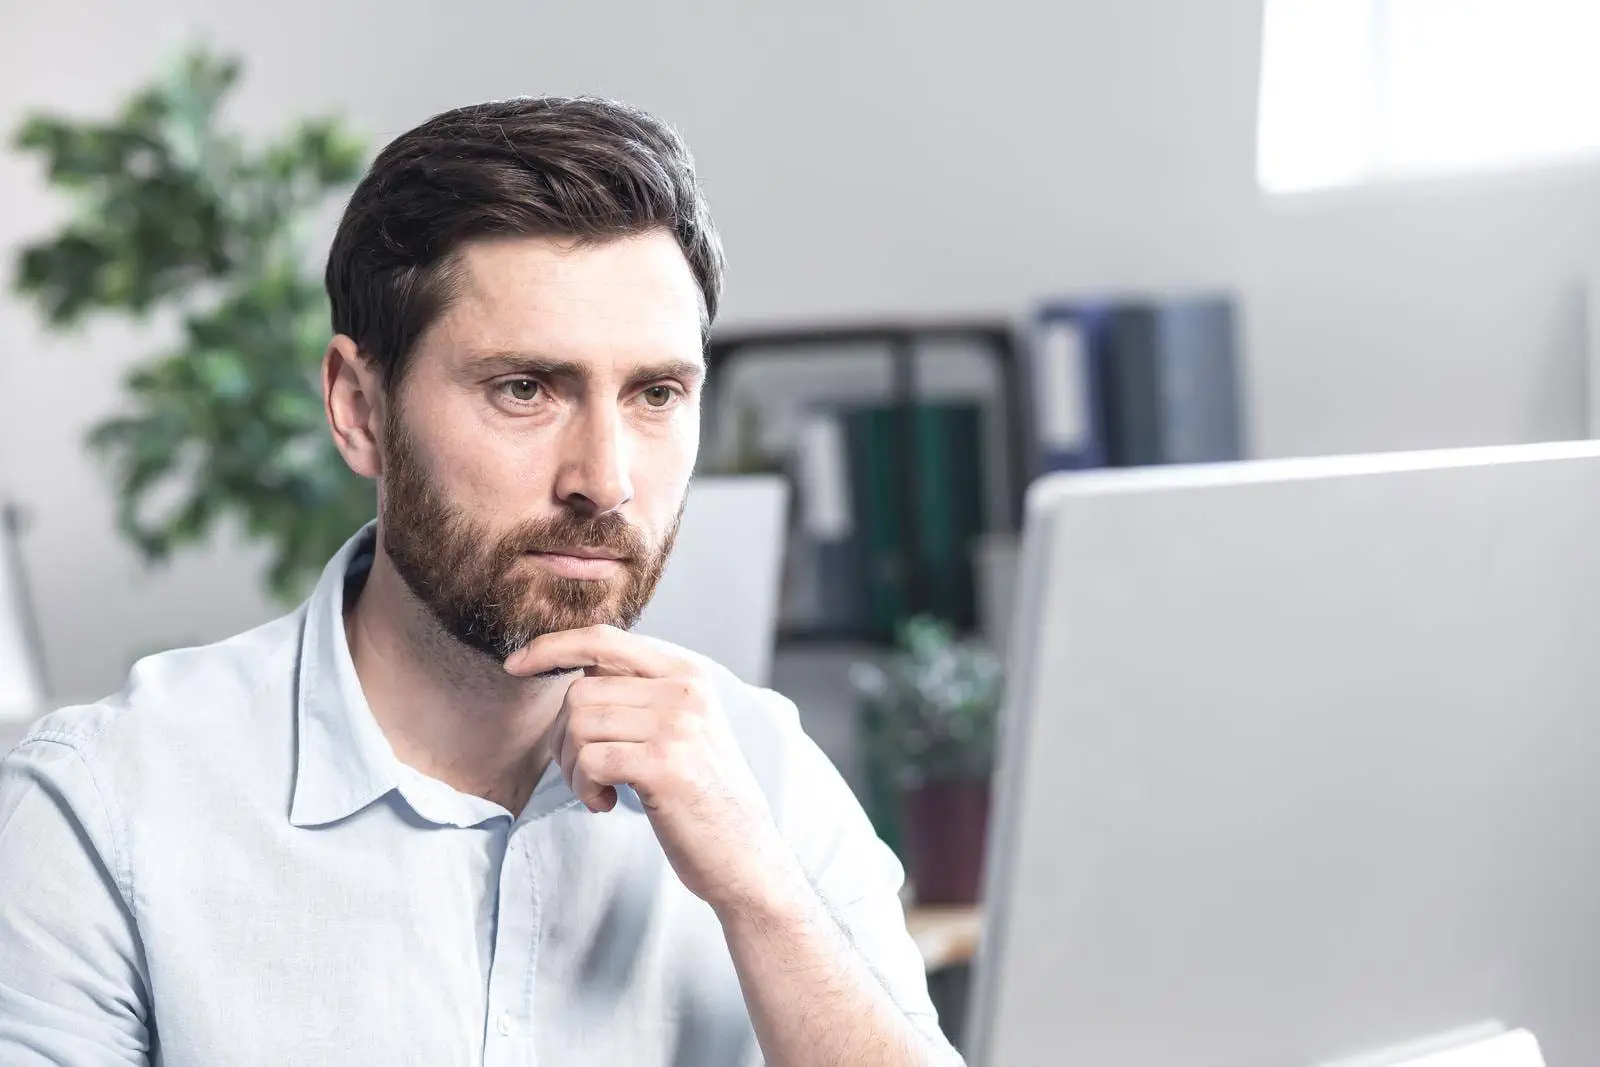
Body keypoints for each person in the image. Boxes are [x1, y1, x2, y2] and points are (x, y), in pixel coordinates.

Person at [0, 97, 961, 1066]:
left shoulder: (768, 778)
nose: (605, 478)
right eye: (525, 389)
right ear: (359, 408)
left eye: (655, 393)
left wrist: (761, 895)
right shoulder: (109, 799)